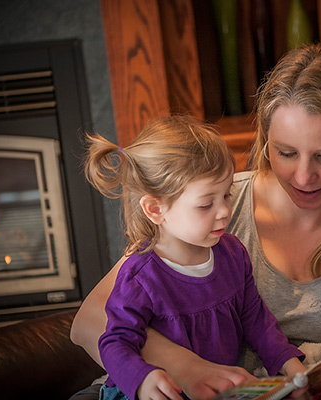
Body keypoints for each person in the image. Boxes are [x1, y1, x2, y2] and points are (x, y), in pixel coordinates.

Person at [71, 43, 321, 400]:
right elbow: (90, 321)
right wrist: (188, 367)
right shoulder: (207, 207)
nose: (303, 176)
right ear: (265, 139)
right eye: (286, 152)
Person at [83, 115, 307, 400]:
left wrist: (290, 365)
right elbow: (116, 342)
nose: (224, 210)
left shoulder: (232, 254)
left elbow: (257, 322)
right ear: (155, 209)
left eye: (227, 195)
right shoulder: (140, 276)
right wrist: (142, 379)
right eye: (205, 204)